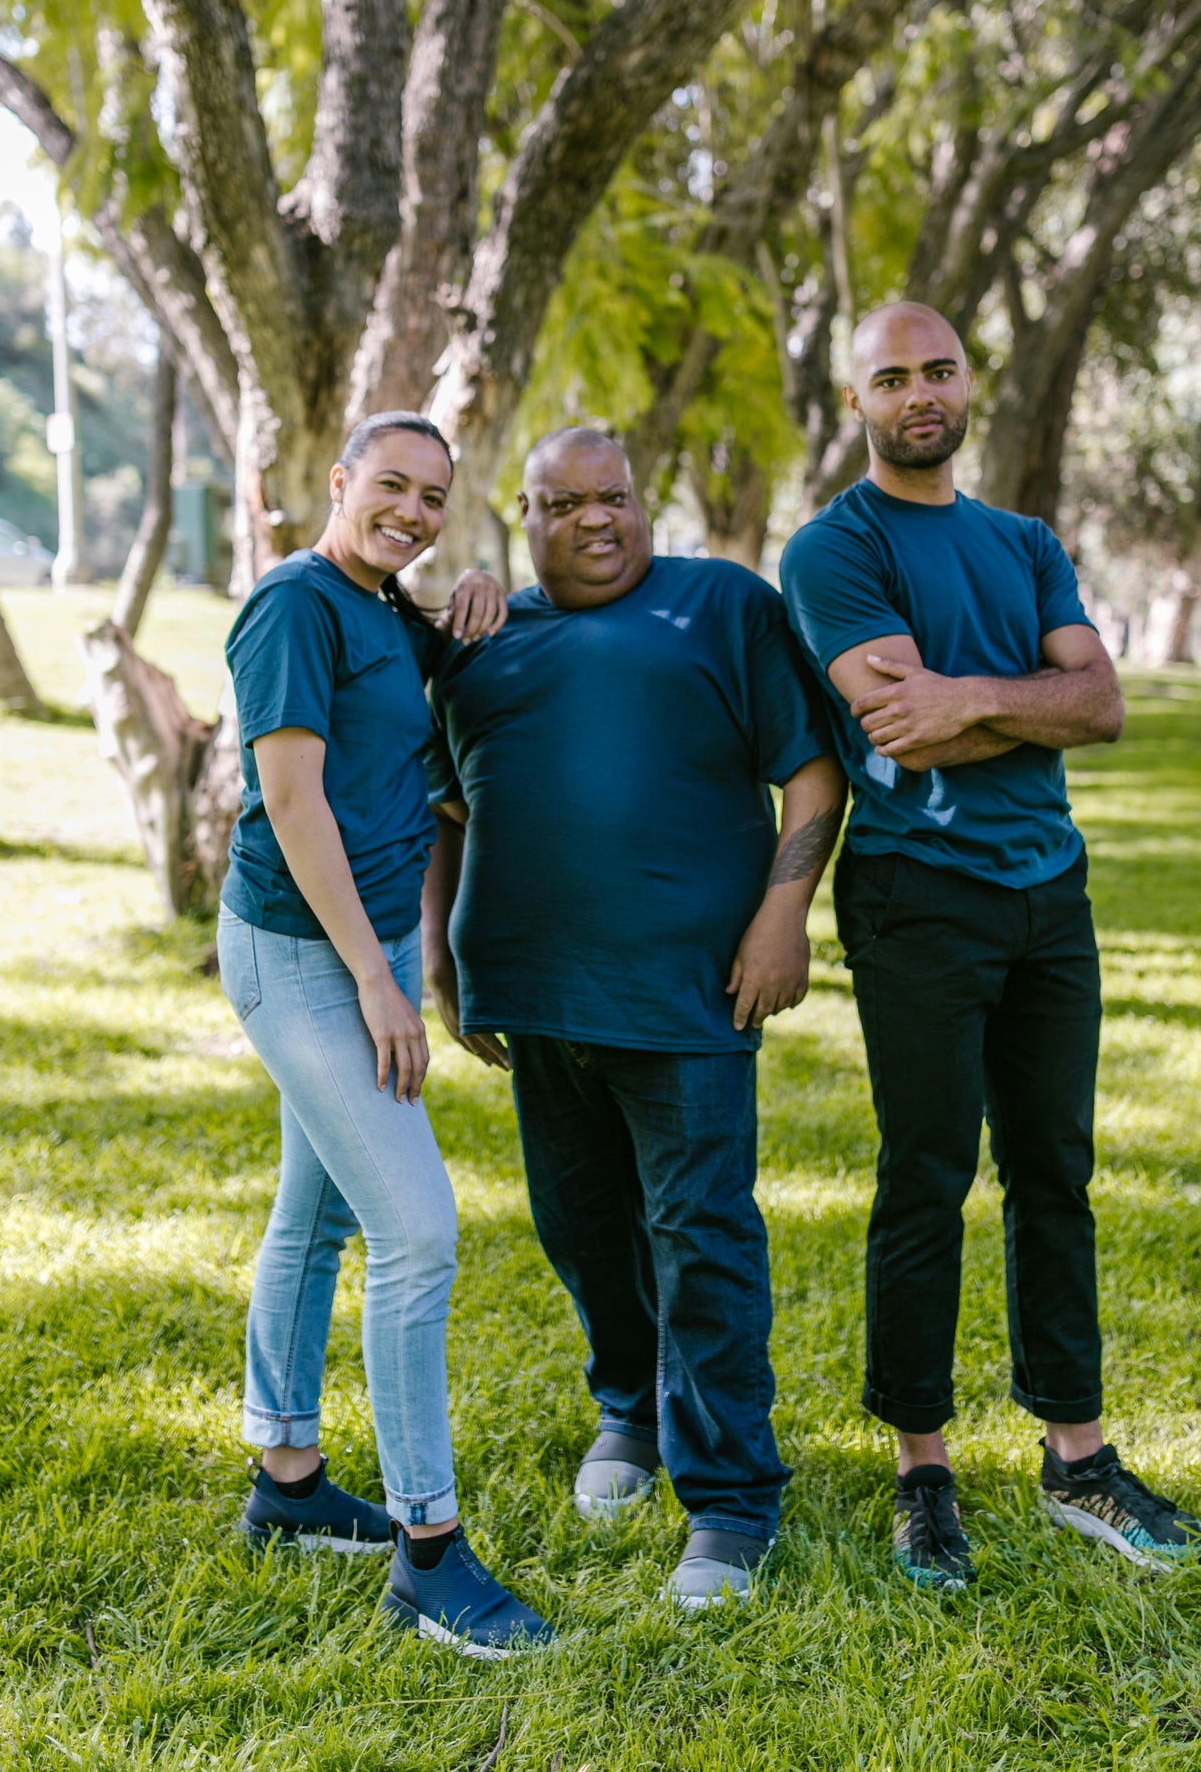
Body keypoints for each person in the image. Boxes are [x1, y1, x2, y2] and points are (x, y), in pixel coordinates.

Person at [779, 303, 1201, 1592]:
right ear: (859, 399)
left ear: (970, 385)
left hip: (1048, 893)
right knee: (926, 1173)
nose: (921, 392)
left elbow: (1105, 701)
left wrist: (970, 693)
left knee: (1055, 1173)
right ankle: (923, 1472)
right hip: (917, 893)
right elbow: (902, 732)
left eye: (941, 370)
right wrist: (1024, 703)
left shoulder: (1024, 543)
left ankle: (1077, 1457)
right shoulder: (834, 550)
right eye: (893, 376)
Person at [423, 428, 845, 1610]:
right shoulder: (482, 641)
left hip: (689, 994)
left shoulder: (721, 605)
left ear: (643, 501)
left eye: (613, 498)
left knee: (701, 1230)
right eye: (564, 504)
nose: (595, 521)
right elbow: (447, 807)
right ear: (524, 515)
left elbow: (812, 773)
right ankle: (630, 1409)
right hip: (533, 992)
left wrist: (782, 915)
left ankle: (730, 1503)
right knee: (580, 1222)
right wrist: (445, 958)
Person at [216, 410, 552, 1658]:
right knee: (417, 1230)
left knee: (318, 1214)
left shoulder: (383, 607)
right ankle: (428, 1550)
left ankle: (289, 1484)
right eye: (391, 488)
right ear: (340, 480)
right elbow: (291, 798)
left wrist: (472, 596)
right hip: (305, 953)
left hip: (361, 953)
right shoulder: (295, 606)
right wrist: (378, 975)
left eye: (433, 500)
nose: (410, 512)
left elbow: (426, 713)